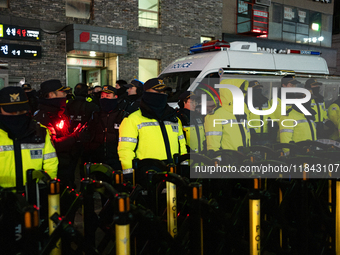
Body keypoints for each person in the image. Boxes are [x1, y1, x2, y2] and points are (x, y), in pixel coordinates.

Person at [118, 78, 187, 179]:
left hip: (173, 170)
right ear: (146, 93)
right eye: (157, 91)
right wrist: (129, 172)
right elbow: (125, 149)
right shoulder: (132, 119)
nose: (161, 94)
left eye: (163, 91)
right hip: (147, 172)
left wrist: (184, 166)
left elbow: (182, 145)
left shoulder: (174, 118)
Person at [33, 79, 88, 188]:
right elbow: (52, 144)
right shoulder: (42, 116)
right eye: (61, 92)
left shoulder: (60, 112)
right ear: (51, 95)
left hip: (66, 165)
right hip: (55, 169)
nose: (65, 95)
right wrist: (75, 136)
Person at [0, 86, 58, 190]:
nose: (16, 114)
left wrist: (42, 187)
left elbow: (51, 164)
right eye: (11, 111)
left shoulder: (41, 132)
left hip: (34, 195)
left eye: (21, 111)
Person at [84, 85, 124, 170]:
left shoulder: (122, 115)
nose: (104, 99)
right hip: (97, 159)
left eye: (108, 96)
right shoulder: (95, 115)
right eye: (102, 96)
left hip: (117, 160)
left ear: (115, 97)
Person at [204, 79, 251, 152]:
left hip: (244, 154)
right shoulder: (216, 115)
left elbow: (247, 133)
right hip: (227, 158)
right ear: (229, 93)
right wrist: (217, 157)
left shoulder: (242, 110)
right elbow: (212, 141)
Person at [245, 80, 277, 145]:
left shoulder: (265, 101)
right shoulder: (246, 102)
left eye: (259, 88)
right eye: (255, 88)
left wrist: (273, 125)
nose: (258, 90)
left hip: (266, 136)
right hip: (252, 137)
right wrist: (250, 130)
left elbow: (271, 115)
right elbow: (245, 118)